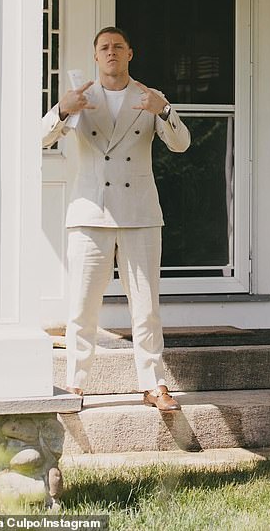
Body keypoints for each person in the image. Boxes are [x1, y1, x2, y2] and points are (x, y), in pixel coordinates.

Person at [42, 26, 190, 412]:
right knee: (82, 307)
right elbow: (38, 138)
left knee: (146, 306)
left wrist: (166, 111)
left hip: (139, 212)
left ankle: (154, 384)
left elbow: (181, 143)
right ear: (96, 56)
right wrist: (62, 110)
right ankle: (74, 384)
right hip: (90, 211)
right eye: (104, 47)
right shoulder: (79, 98)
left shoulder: (149, 97)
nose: (111, 52)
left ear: (130, 54)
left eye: (118, 47)